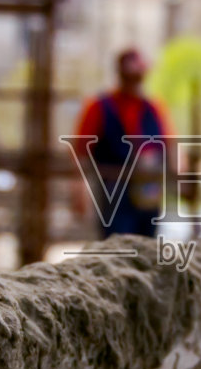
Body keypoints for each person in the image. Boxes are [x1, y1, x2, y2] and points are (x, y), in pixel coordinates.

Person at [74, 48, 175, 238]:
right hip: (114, 188)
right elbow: (80, 152)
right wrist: (79, 188)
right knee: (118, 245)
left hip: (148, 189)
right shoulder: (98, 107)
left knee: (147, 248)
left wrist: (180, 175)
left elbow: (171, 146)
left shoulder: (154, 108)